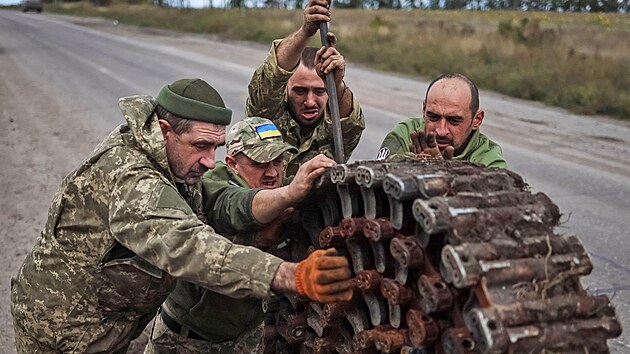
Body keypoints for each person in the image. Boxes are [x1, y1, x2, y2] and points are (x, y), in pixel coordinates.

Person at [10, 79, 354, 354]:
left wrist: (286, 198)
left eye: (216, 148)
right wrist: (287, 274)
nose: (209, 161)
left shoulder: (175, 165)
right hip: (62, 332)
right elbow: (188, 245)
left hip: (108, 325)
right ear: (164, 130)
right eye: (200, 146)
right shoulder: (132, 178)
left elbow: (224, 204)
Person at [144, 117, 329, 353]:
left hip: (246, 338)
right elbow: (237, 206)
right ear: (232, 163)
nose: (272, 172)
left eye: (278, 161)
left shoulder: (279, 193)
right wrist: (289, 195)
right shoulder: (212, 184)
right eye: (260, 163)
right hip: (187, 341)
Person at [246, 0, 365, 175]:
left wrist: (337, 84)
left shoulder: (334, 131)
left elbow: (351, 124)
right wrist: (305, 32)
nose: (310, 102)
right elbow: (269, 82)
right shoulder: (269, 119)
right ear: (286, 89)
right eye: (300, 91)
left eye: (319, 91)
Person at [377, 73, 507, 168]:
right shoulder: (406, 134)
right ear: (424, 110)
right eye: (433, 117)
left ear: (476, 120)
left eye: (454, 120)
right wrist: (411, 164)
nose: (441, 131)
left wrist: (443, 173)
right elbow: (376, 180)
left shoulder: (489, 161)